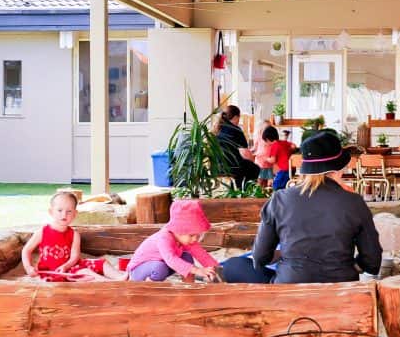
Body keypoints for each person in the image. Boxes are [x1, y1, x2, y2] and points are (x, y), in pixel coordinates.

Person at [222, 130, 382, 283]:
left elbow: (260, 258)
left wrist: (286, 255)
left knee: (232, 266)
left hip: (290, 289)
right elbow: (373, 262)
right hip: (340, 288)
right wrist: (353, 266)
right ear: (338, 170)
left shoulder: (280, 199)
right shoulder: (354, 202)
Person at [21, 192, 125, 282]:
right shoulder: (42, 232)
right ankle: (108, 282)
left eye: (69, 211)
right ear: (51, 212)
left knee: (102, 262)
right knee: (85, 272)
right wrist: (28, 267)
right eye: (59, 210)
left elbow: (74, 257)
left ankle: (120, 276)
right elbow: (26, 250)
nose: (64, 215)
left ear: (75, 214)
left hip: (70, 265)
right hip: (53, 270)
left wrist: (66, 266)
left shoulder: (74, 234)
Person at [126, 199, 222, 282]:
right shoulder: (164, 238)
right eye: (192, 235)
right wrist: (197, 270)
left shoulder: (185, 238)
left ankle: (189, 286)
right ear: (178, 230)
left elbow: (202, 255)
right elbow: (171, 260)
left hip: (164, 266)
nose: (195, 239)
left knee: (186, 256)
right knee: (160, 267)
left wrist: (217, 269)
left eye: (198, 235)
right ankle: (149, 287)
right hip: (140, 270)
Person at [215, 105, 260, 188]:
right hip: (234, 168)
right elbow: (245, 154)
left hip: (218, 168)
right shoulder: (236, 130)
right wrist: (254, 159)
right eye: (239, 118)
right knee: (255, 168)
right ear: (236, 117)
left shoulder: (218, 130)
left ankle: (233, 190)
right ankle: (243, 193)